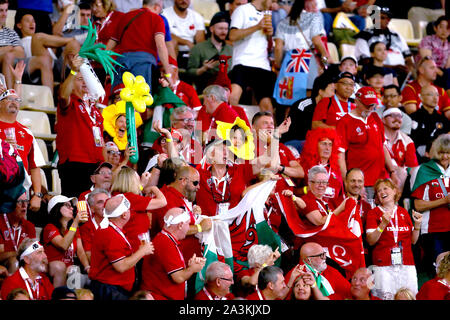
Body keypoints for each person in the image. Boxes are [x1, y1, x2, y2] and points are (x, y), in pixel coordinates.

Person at [336, 86, 399, 200]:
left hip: (381, 179)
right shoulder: (345, 122)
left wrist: (392, 171)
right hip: (361, 181)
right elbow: (340, 155)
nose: (370, 108)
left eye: (372, 105)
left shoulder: (375, 117)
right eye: (366, 105)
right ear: (356, 101)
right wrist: (347, 181)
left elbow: (382, 146)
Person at [56, 54, 105, 198]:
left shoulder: (95, 110)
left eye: (86, 79)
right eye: (79, 79)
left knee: (92, 204)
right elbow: (63, 96)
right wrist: (73, 71)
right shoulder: (71, 103)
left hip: (95, 164)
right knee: (77, 204)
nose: (84, 82)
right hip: (75, 164)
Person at [89, 194, 155, 300]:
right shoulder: (110, 234)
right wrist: (142, 251)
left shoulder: (111, 231)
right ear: (124, 215)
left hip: (112, 289)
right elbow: (121, 266)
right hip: (110, 291)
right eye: (129, 210)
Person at [365, 178, 422, 300]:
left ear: (395, 191)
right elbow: (370, 240)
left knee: (410, 296)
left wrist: (417, 226)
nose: (382, 192)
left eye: (385, 188)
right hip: (383, 265)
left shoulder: (403, 212)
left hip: (406, 263)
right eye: (378, 191)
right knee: (385, 297)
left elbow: (413, 241)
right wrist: (382, 225)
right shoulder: (373, 213)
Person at [140, 207, 206, 300]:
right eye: (188, 224)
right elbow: (178, 277)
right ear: (180, 225)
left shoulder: (165, 239)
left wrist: (190, 266)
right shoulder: (166, 243)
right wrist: (192, 269)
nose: (188, 227)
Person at [106, 0, 174, 91]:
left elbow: (109, 47)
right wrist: (168, 74)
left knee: (119, 98)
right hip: (143, 64)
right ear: (156, 7)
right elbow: (161, 45)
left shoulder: (125, 17)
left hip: (121, 63)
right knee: (141, 98)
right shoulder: (157, 19)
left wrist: (108, 69)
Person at [151, 165, 212, 263]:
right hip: (175, 262)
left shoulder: (182, 195)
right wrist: (200, 227)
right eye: (195, 183)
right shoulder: (166, 198)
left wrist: (194, 214)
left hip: (188, 258)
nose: (198, 187)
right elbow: (172, 229)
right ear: (183, 181)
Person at [273, 0, 330, 106]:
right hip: (307, 60)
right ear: (307, 6)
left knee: (288, 97)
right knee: (308, 97)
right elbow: (317, 41)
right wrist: (325, 56)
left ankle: (287, 121)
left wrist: (278, 64)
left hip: (289, 61)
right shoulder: (314, 18)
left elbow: (278, 48)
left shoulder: (283, 22)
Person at [0, 87, 45, 212]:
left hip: (20, 193)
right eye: (8, 99)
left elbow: (35, 166)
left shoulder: (27, 133)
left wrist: (37, 195)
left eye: (17, 99)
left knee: (18, 228)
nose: (14, 101)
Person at [411, 134, 450, 278]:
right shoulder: (425, 170)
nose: (445, 156)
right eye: (442, 152)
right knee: (439, 271)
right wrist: (444, 201)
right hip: (433, 230)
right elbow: (417, 205)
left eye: (448, 152)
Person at [228, 0, 276, 113]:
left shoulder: (267, 13)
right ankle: (226, 129)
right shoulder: (242, 10)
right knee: (232, 98)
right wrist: (257, 26)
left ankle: (268, 131)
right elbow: (232, 36)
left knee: (267, 107)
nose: (273, 4)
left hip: (262, 65)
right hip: (243, 62)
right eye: (272, 0)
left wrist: (270, 35)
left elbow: (268, 45)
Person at [14, 12, 80, 94]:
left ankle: (79, 90)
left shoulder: (42, 40)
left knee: (73, 44)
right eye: (28, 21)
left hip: (55, 67)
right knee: (38, 37)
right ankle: (75, 39)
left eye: (33, 21)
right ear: (19, 25)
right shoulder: (19, 42)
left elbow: (51, 57)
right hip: (38, 66)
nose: (32, 24)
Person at [195, 139, 259, 217]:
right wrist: (194, 208)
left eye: (227, 150)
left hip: (235, 227)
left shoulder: (239, 170)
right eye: (222, 150)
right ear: (211, 154)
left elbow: (267, 163)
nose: (226, 153)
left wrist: (273, 141)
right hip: (209, 227)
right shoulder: (198, 175)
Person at [110, 166, 167, 254]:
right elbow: (163, 202)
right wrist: (154, 188)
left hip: (129, 243)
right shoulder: (131, 198)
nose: (139, 183)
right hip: (135, 247)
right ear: (131, 182)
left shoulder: (118, 195)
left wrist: (142, 185)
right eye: (137, 180)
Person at [354, 6, 415, 83]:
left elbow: (408, 56)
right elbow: (365, 62)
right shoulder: (364, 36)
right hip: (377, 74)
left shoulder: (396, 35)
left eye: (387, 18)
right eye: (381, 18)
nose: (386, 20)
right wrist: (392, 68)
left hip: (402, 73)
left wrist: (409, 67)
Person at [42, 195, 90, 288]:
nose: (72, 208)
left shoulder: (73, 229)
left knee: (77, 271)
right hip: (55, 270)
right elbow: (64, 245)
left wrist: (87, 267)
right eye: (67, 205)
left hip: (71, 271)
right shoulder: (50, 227)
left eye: (71, 206)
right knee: (72, 271)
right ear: (57, 208)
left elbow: (80, 252)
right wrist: (75, 222)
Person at [281, 72, 336, 153]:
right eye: (332, 90)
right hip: (294, 143)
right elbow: (299, 132)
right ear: (320, 91)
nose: (334, 94)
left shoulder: (331, 108)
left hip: (317, 144)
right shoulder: (304, 105)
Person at [186, 11, 233, 93]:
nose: (224, 32)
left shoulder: (230, 49)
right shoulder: (199, 48)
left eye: (226, 29)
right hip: (206, 87)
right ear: (211, 29)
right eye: (220, 28)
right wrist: (204, 69)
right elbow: (189, 72)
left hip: (227, 88)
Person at [300, 128, 345, 209]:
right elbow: (293, 191)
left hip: (332, 213)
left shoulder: (335, 170)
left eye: (330, 144)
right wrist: (306, 190)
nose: (327, 148)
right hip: (311, 211)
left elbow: (340, 197)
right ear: (315, 145)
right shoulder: (305, 166)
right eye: (324, 144)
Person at [409, 85, 450, 162]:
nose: (435, 98)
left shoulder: (442, 119)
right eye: (430, 94)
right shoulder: (413, 118)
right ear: (420, 97)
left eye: (437, 95)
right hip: (419, 158)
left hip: (441, 158)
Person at [382, 107, 419, 192]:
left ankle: (396, 201)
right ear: (383, 120)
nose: (397, 119)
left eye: (399, 116)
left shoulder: (407, 141)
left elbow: (412, 167)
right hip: (380, 173)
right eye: (392, 115)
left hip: (400, 179)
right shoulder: (376, 137)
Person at [161, 0, 206, 69]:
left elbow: (200, 41)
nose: (184, 1)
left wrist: (196, 51)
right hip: (172, 50)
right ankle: (173, 70)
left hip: (191, 52)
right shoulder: (164, 14)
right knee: (173, 41)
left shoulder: (197, 16)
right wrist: (186, 42)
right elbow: (165, 35)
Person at [0, 192, 36, 274]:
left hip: (26, 261)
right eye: (19, 201)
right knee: (15, 262)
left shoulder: (29, 226)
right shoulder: (1, 222)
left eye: (26, 201)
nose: (24, 205)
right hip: (8, 263)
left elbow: (34, 249)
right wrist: (19, 253)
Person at [0, 0, 28, 90]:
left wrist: (5, 50)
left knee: (43, 59)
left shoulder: (11, 32)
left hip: (15, 63)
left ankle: (51, 101)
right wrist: (10, 48)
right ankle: (10, 97)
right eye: (1, 10)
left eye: (6, 10)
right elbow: (15, 50)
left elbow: (21, 53)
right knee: (9, 56)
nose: (4, 14)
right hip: (5, 61)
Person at [418, 16, 450, 93]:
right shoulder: (427, 40)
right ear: (435, 28)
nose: (444, 31)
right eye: (441, 27)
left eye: (447, 28)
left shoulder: (448, 44)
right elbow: (427, 61)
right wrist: (444, 75)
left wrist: (445, 74)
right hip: (428, 69)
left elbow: (448, 66)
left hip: (444, 74)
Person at [79, 188, 110, 262]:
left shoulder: (117, 222)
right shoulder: (86, 227)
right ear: (92, 209)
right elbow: (89, 255)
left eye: (107, 201)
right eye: (100, 202)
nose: (105, 205)